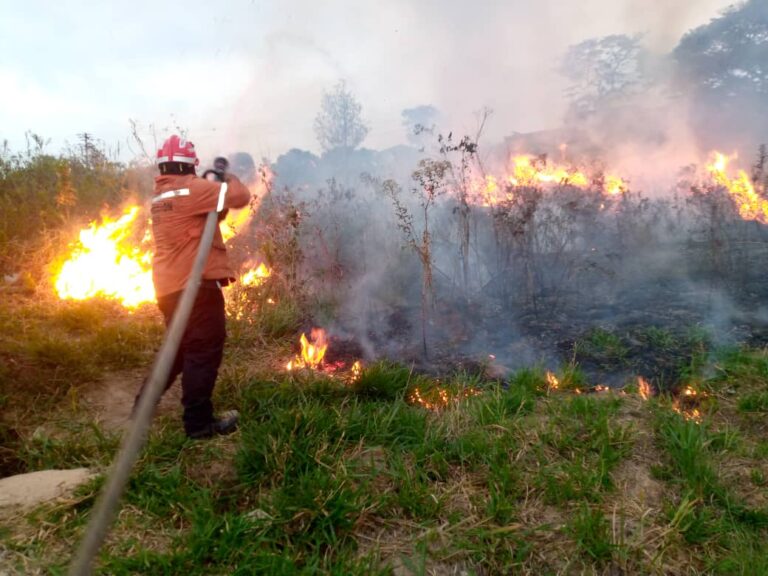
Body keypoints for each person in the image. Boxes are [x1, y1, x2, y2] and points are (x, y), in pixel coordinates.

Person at [134, 135, 251, 439]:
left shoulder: (160, 198)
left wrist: (211, 187)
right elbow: (240, 197)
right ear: (189, 166)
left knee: (177, 349)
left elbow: (206, 219)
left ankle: (142, 406)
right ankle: (199, 424)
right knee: (203, 349)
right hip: (196, 288)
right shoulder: (194, 190)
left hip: (168, 288)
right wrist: (227, 177)